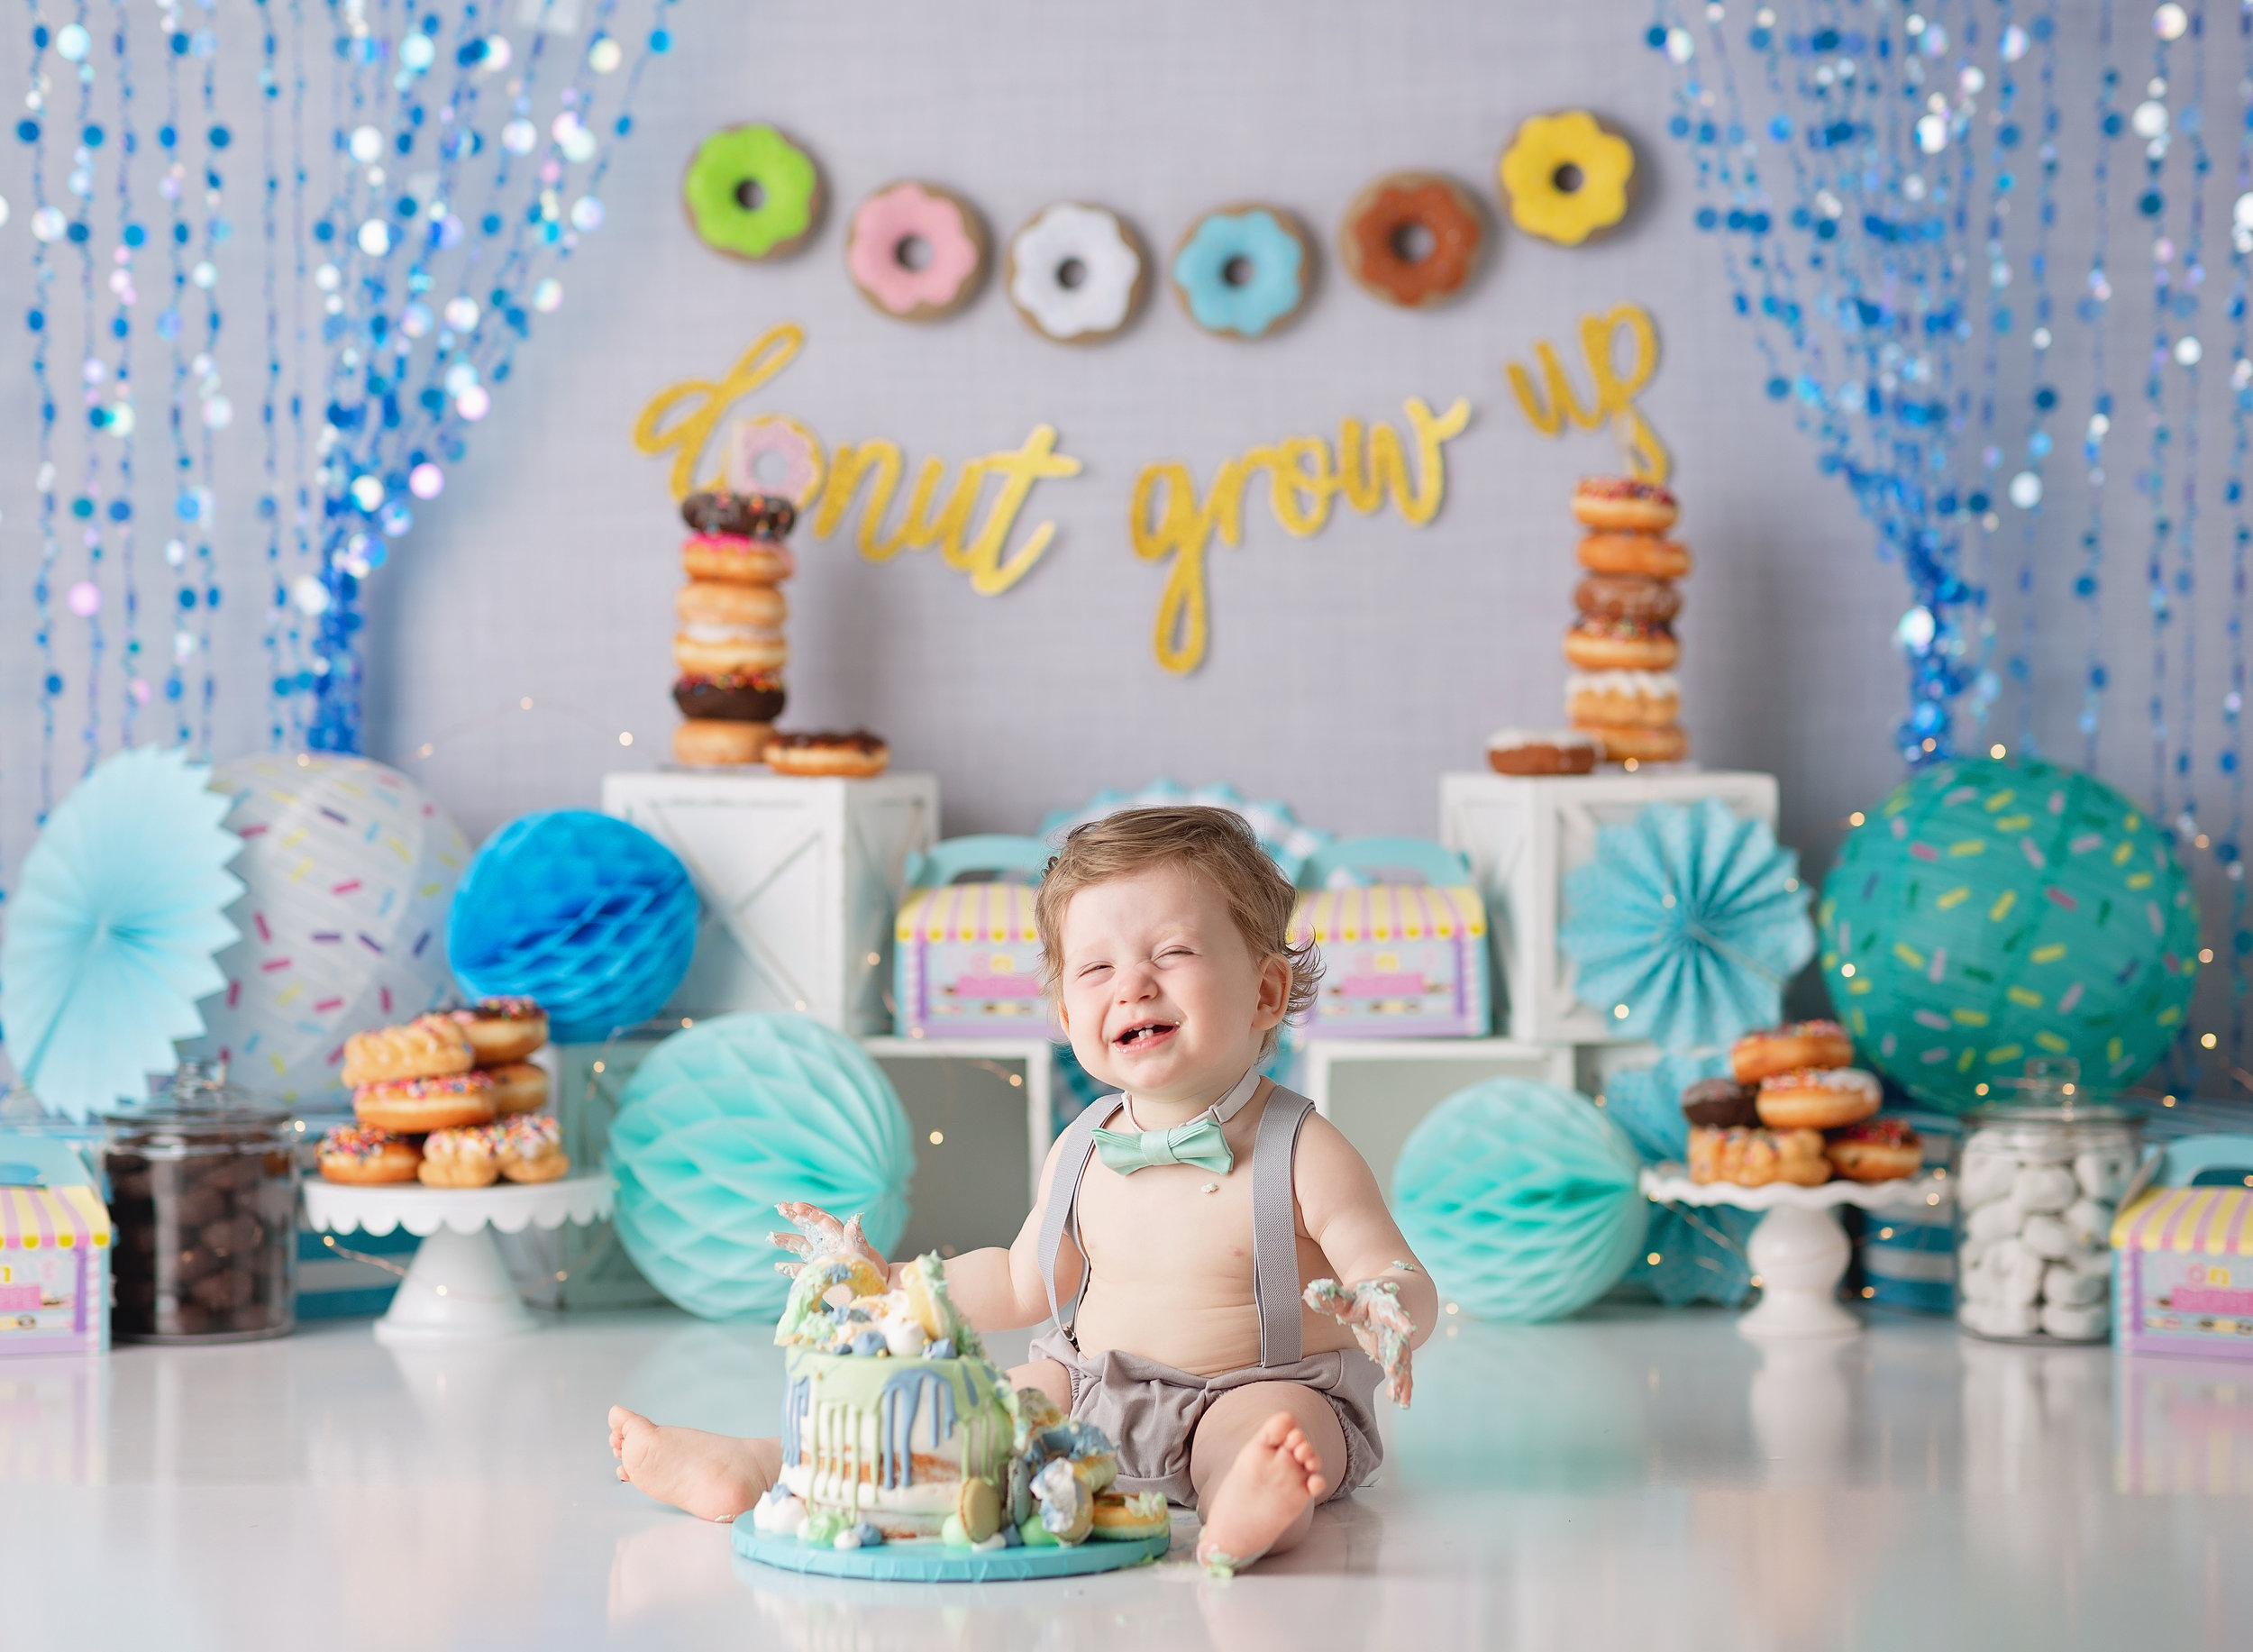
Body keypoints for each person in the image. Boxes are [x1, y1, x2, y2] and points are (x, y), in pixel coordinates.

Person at [610, 805, 1434, 1574]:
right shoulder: (1081, 1149)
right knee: (979, 1424)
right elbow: (1020, 1278)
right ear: (1067, 1013)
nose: (1133, 985)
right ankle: (763, 1468)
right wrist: (895, 1284)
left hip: (1259, 1382)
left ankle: (1251, 1504)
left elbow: (1394, 1269)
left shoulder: (1303, 1148)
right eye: (1097, 967)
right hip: (1093, 1389)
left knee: (1269, 1435)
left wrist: (1388, 1309)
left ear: (1265, 992)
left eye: (1172, 953)